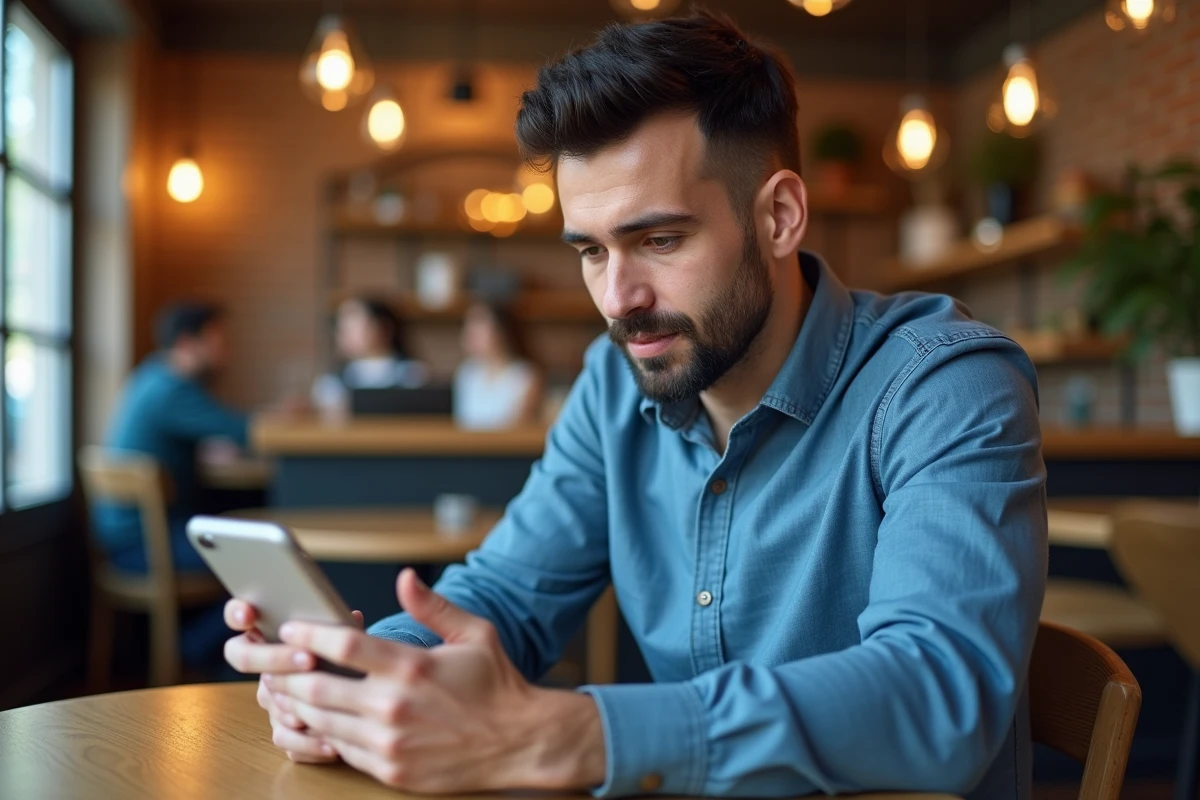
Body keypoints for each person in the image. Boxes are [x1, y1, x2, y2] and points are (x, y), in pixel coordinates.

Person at [225, 12, 1047, 800]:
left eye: (659, 240)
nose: (620, 300)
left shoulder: (944, 385)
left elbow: (942, 694)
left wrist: (570, 733)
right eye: (590, 250)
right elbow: (507, 595)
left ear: (780, 216)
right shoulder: (616, 378)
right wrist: (369, 677)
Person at [96, 303, 248, 665]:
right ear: (187, 342)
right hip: (144, 545)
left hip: (124, 538)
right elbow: (243, 430)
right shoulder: (174, 388)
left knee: (247, 552)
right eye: (218, 340)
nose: (226, 350)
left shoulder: (152, 376)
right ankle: (191, 652)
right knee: (260, 562)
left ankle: (197, 651)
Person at [310, 296, 430, 415]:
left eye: (353, 324)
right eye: (342, 326)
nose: (345, 333)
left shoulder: (412, 375)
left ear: (383, 328)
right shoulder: (332, 382)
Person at [452, 301, 544, 429]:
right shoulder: (467, 373)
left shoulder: (525, 376)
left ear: (501, 331)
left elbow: (518, 427)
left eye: (479, 326)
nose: (470, 335)